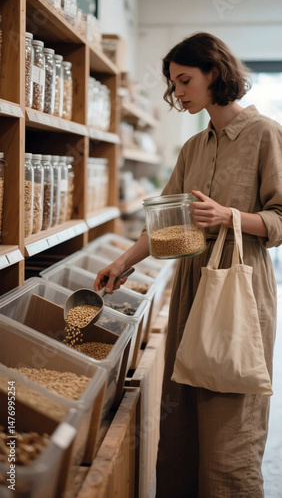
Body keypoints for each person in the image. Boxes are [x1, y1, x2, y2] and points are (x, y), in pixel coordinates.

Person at [94, 32, 282, 497]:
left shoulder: (266, 134)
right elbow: (166, 225)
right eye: (174, 84)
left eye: (184, 81)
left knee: (228, 414)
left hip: (239, 284)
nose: (177, 93)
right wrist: (121, 262)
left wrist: (229, 216)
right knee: (180, 416)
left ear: (214, 73)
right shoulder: (192, 148)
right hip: (191, 282)